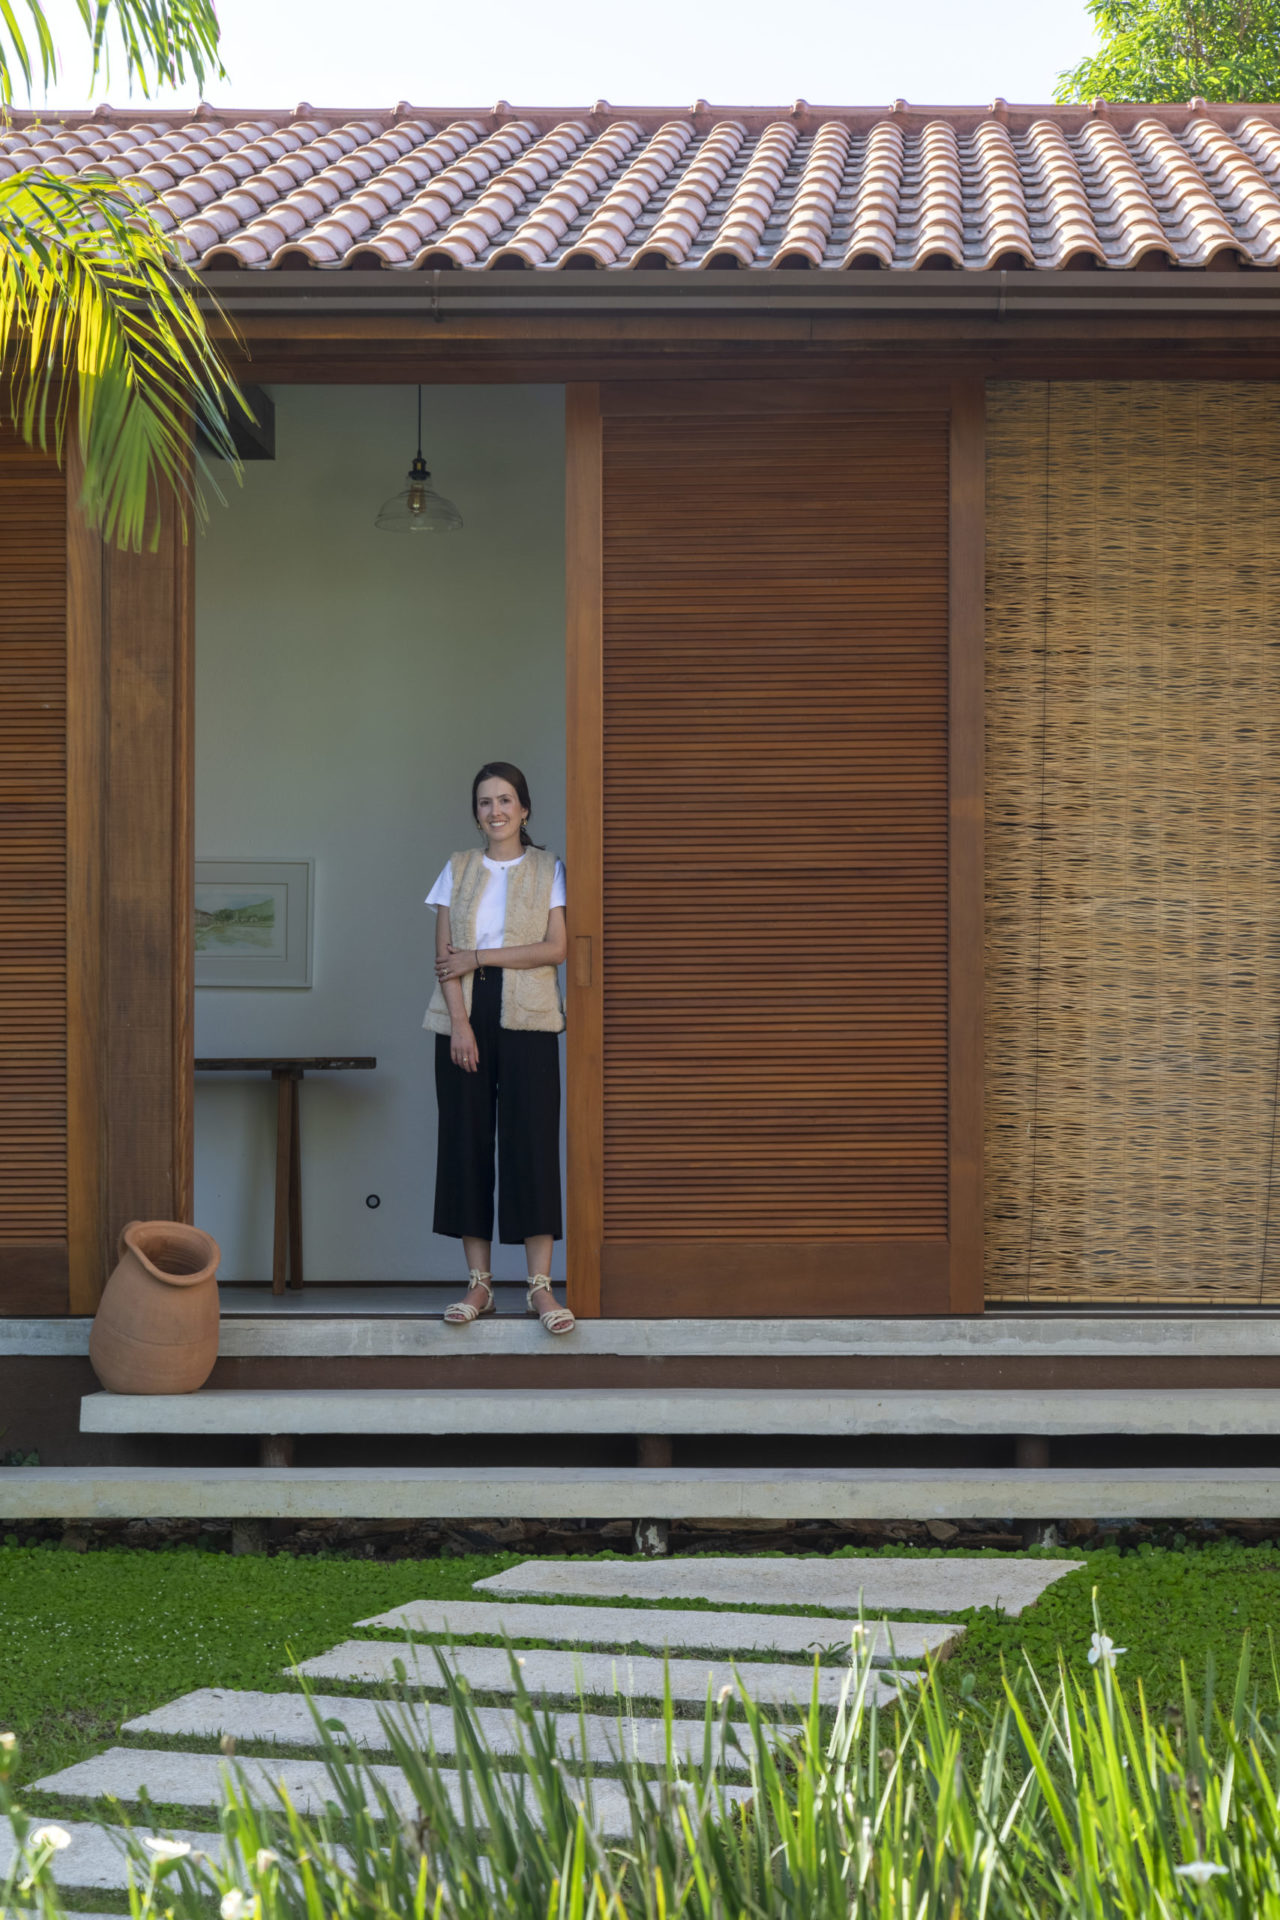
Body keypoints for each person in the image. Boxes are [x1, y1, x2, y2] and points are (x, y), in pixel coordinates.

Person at [424, 762, 574, 1334]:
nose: (496, 811)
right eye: (485, 802)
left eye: (506, 800)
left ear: (525, 809)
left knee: (531, 1143)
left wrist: (481, 957)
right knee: (465, 1142)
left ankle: (540, 1286)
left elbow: (555, 948)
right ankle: (479, 1283)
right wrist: (460, 1025)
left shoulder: (547, 868)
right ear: (477, 813)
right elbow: (444, 959)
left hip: (529, 1017)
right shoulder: (456, 869)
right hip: (464, 1016)